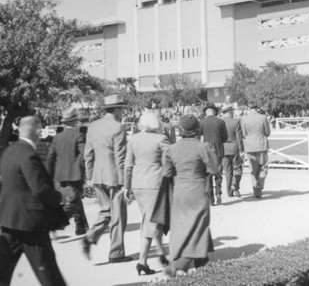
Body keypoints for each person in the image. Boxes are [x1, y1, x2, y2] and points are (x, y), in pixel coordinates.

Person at [0, 116, 67, 286]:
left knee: (2, 271)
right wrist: (61, 196)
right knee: (48, 270)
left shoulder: (11, 150)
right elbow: (40, 189)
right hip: (30, 223)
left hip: (10, 219)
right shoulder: (29, 154)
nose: (42, 131)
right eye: (40, 127)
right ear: (36, 131)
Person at [162, 114, 219, 276]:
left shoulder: (171, 149)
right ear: (197, 131)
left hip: (179, 192)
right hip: (198, 190)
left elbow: (167, 173)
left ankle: (203, 261)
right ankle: (179, 264)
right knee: (199, 226)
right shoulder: (203, 147)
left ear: (180, 130)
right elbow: (214, 170)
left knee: (183, 227)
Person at [82, 94, 132, 263]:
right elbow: (120, 157)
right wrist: (126, 182)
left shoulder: (93, 126)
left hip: (97, 175)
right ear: (117, 110)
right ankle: (116, 253)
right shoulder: (118, 127)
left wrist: (90, 176)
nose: (122, 113)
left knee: (105, 211)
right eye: (121, 109)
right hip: (114, 177)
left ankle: (90, 236)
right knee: (118, 216)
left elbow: (88, 153)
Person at [124, 110, 170, 275]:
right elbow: (168, 163)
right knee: (151, 222)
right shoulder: (160, 139)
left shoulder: (133, 139)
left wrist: (126, 187)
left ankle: (160, 253)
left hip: (138, 184)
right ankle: (142, 261)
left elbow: (128, 165)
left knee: (150, 219)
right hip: (154, 183)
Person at [45, 107, 89, 236]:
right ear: (75, 121)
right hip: (75, 174)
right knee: (73, 200)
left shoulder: (57, 138)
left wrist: (49, 175)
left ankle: (81, 225)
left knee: (74, 198)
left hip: (60, 174)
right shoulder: (78, 135)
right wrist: (82, 168)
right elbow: (83, 154)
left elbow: (50, 158)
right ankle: (56, 222)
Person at [199, 102, 228, 205]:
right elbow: (225, 137)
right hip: (218, 149)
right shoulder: (221, 122)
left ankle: (210, 199)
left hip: (206, 151)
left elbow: (199, 137)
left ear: (206, 112)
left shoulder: (202, 122)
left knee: (208, 175)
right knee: (218, 174)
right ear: (214, 111)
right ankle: (219, 193)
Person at [241, 104, 271, 198]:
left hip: (249, 146)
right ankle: (260, 183)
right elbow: (268, 132)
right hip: (261, 145)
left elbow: (243, 134)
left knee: (253, 170)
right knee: (264, 167)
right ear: (257, 108)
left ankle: (256, 192)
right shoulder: (263, 117)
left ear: (249, 109)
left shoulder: (244, 119)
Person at [221, 104, 245, 198]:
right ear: (230, 112)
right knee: (238, 168)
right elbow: (239, 138)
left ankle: (229, 191)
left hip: (224, 148)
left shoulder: (221, 122)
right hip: (234, 148)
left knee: (227, 171)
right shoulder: (236, 122)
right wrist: (241, 150)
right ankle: (235, 184)